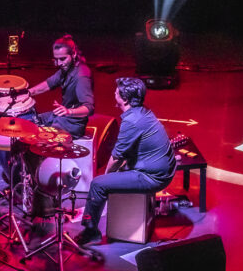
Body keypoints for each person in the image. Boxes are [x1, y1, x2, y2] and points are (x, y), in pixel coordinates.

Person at [75, 77, 177, 245]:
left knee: (98, 184)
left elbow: (116, 158)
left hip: (152, 177)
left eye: (117, 91)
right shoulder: (142, 111)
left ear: (125, 99)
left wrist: (106, 179)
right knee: (107, 180)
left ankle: (90, 230)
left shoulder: (131, 121)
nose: (114, 91)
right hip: (162, 169)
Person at [21, 34, 94, 139]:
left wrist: (69, 111)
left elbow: (89, 108)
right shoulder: (67, 69)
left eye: (62, 59)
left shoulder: (81, 76)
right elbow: (48, 84)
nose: (58, 63)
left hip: (72, 125)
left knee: (37, 137)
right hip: (62, 116)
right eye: (56, 59)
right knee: (30, 120)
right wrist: (27, 93)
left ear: (73, 54)